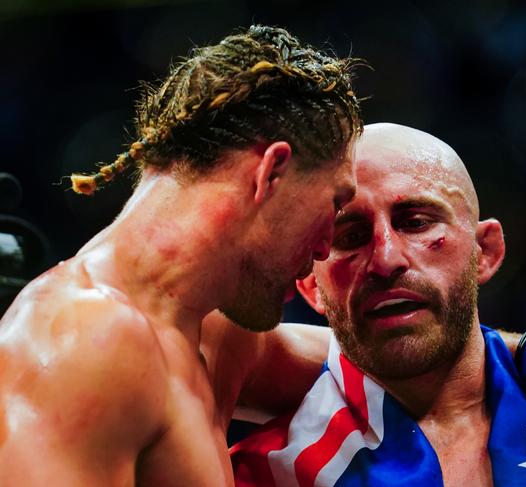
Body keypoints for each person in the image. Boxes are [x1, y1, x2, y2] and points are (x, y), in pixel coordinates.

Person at [0, 25, 362, 486]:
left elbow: (396, 361)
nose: (324, 246)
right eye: (333, 204)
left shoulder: (216, 334)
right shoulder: (83, 345)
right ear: (272, 172)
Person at [228, 123, 526, 486]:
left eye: (416, 222)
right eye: (350, 236)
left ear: (485, 251)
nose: (386, 258)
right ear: (310, 287)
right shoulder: (269, 475)